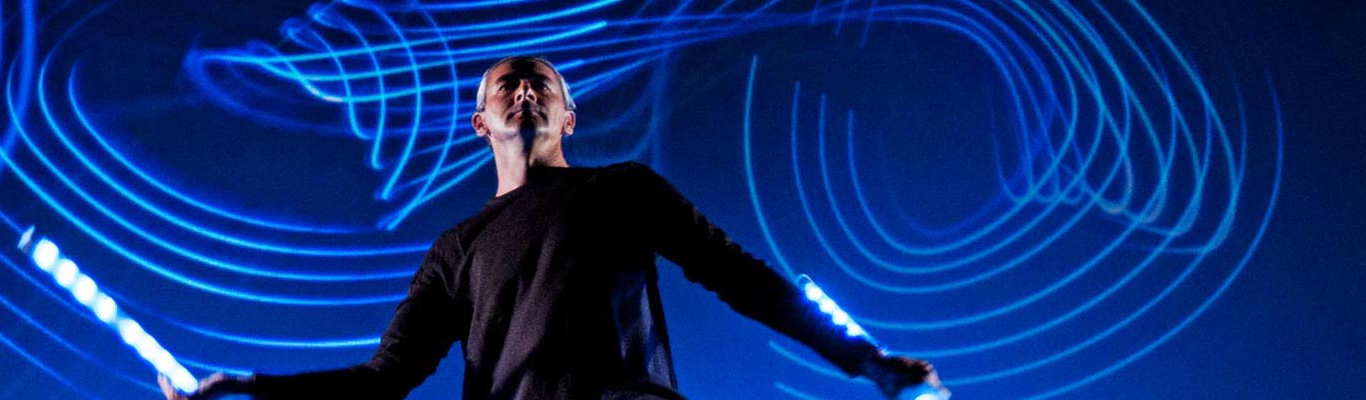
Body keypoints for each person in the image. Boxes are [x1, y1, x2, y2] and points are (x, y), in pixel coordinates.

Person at [160, 56, 947, 400]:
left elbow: (740, 277)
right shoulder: (456, 250)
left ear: (570, 114)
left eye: (541, 82)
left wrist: (864, 359)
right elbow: (383, 380)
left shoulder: (623, 188)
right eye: (508, 83)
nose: (525, 90)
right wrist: (249, 389)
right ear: (480, 123)